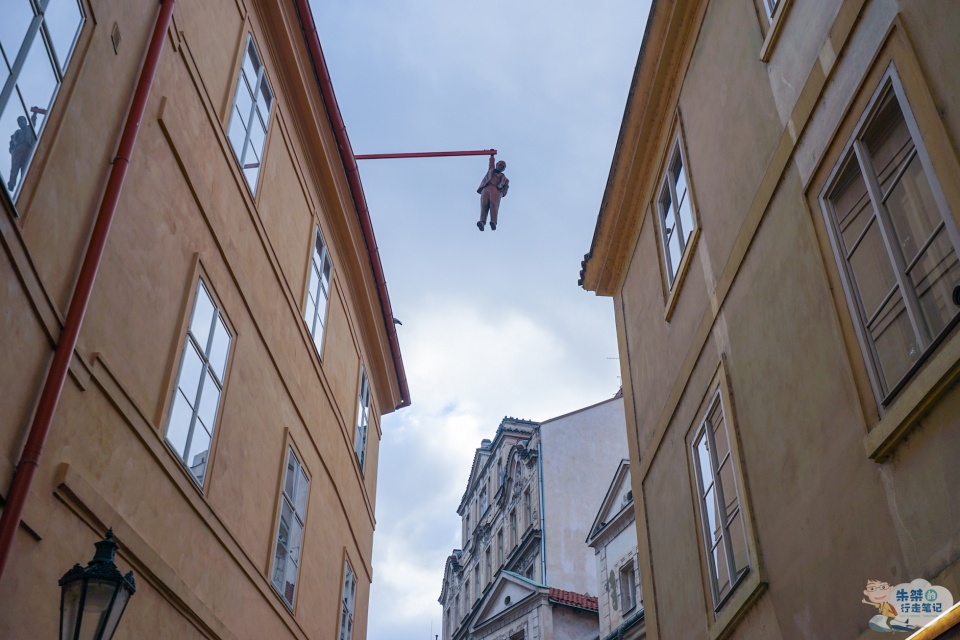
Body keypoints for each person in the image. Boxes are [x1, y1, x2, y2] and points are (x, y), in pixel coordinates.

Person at [477, 155, 508, 231]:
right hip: (486, 188)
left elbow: (506, 188)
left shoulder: (505, 179)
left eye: (502, 166)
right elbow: (491, 163)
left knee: (493, 205)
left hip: (496, 189)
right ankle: (482, 222)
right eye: (500, 164)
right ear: (496, 164)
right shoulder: (491, 171)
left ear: (504, 169)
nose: (500, 166)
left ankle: (493, 222)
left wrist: (502, 192)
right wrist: (492, 155)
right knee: (484, 205)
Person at [8, 113, 38, 192]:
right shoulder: (17, 132)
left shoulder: (29, 128)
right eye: (19, 122)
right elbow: (12, 141)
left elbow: (33, 122)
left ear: (25, 121)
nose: (21, 123)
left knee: (25, 167)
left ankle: (23, 185)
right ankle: (11, 183)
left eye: (22, 121)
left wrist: (34, 114)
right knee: (15, 166)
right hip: (18, 148)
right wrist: (12, 149)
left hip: (27, 148)